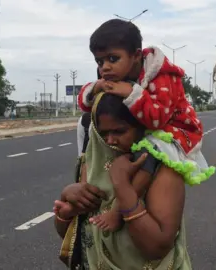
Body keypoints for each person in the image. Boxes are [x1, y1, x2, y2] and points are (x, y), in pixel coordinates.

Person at [54, 93, 192, 269]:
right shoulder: (92, 162)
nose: (110, 140)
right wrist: (67, 210)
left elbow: (156, 248)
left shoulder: (164, 169)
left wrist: (121, 183)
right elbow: (81, 234)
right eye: (103, 133)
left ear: (141, 126)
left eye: (119, 131)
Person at [77, 18, 203, 156]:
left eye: (113, 59)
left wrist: (131, 93)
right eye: (100, 61)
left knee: (150, 164)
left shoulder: (162, 76)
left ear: (136, 55)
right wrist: (96, 88)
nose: (105, 67)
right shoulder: (113, 73)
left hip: (176, 132)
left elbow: (157, 120)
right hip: (144, 131)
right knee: (88, 128)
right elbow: (89, 106)